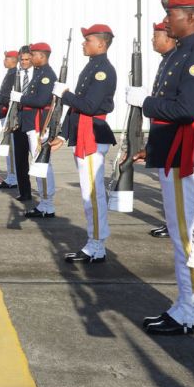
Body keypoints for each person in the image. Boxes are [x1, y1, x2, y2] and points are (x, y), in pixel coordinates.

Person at [126, 0, 194, 335]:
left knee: (185, 238)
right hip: (172, 153)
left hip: (186, 156)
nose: (166, 21)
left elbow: (185, 110)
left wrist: (144, 103)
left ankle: (190, 311)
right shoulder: (180, 54)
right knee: (181, 235)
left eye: (172, 15)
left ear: (189, 18)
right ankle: (189, 307)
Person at [50, 24, 117, 264]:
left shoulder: (103, 71)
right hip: (83, 134)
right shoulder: (92, 67)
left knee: (93, 194)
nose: (83, 43)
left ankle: (97, 245)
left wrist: (65, 94)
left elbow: (87, 106)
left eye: (88, 40)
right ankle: (94, 242)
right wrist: (63, 135)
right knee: (89, 193)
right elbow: (78, 110)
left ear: (101, 43)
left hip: (92, 135)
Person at [12, 42, 57, 218]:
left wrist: (21, 98)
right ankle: (45, 203)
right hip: (33, 125)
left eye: (33, 54)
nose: (30, 58)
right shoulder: (40, 73)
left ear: (42, 56)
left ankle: (48, 204)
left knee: (41, 165)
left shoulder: (46, 75)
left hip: (39, 125)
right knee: (38, 165)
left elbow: (41, 100)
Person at [146, 22, 177, 240]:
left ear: (168, 37)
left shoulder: (178, 59)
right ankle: (172, 222)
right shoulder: (167, 60)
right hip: (162, 132)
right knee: (169, 188)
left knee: (177, 189)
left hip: (175, 133)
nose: (152, 39)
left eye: (155, 35)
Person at [11, 46, 34, 202]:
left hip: (33, 121)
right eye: (22, 60)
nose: (24, 62)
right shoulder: (15, 74)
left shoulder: (39, 74)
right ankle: (24, 191)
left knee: (37, 158)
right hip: (18, 120)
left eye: (27, 60)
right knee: (20, 158)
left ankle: (45, 197)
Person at [0, 50, 19, 189]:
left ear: (13, 60)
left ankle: (13, 178)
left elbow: (8, 96)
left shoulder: (14, 74)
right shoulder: (10, 73)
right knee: (8, 148)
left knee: (10, 149)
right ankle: (11, 176)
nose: (4, 61)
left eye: (6, 58)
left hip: (9, 114)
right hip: (4, 113)